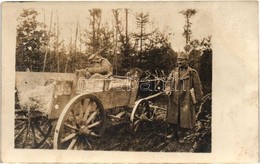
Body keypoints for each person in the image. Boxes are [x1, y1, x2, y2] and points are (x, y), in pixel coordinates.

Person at [164, 51, 203, 143]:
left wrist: (199, 99)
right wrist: (168, 90)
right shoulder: (174, 72)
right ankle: (174, 134)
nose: (179, 62)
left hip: (186, 99)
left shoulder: (192, 73)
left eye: (181, 60)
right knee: (172, 118)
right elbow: (168, 83)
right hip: (174, 98)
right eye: (178, 60)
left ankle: (181, 135)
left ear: (187, 60)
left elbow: (197, 86)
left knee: (185, 119)